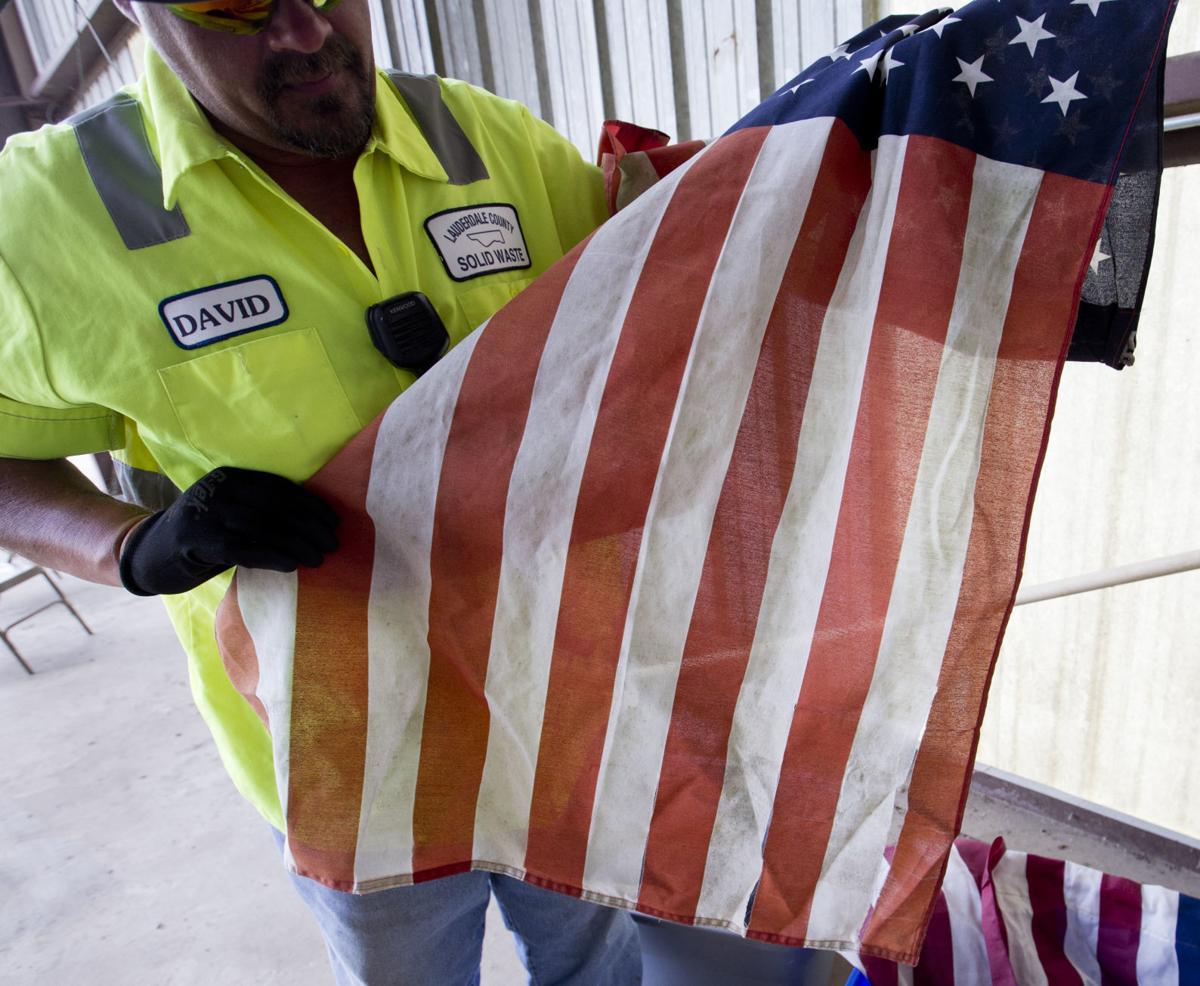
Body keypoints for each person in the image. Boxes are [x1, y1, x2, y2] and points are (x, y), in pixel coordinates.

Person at [0, 1, 640, 981]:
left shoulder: (498, 148)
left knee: (600, 965)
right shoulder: (46, 221)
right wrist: (131, 546)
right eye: (233, 2)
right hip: (343, 764)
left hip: (557, 715)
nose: (302, 31)